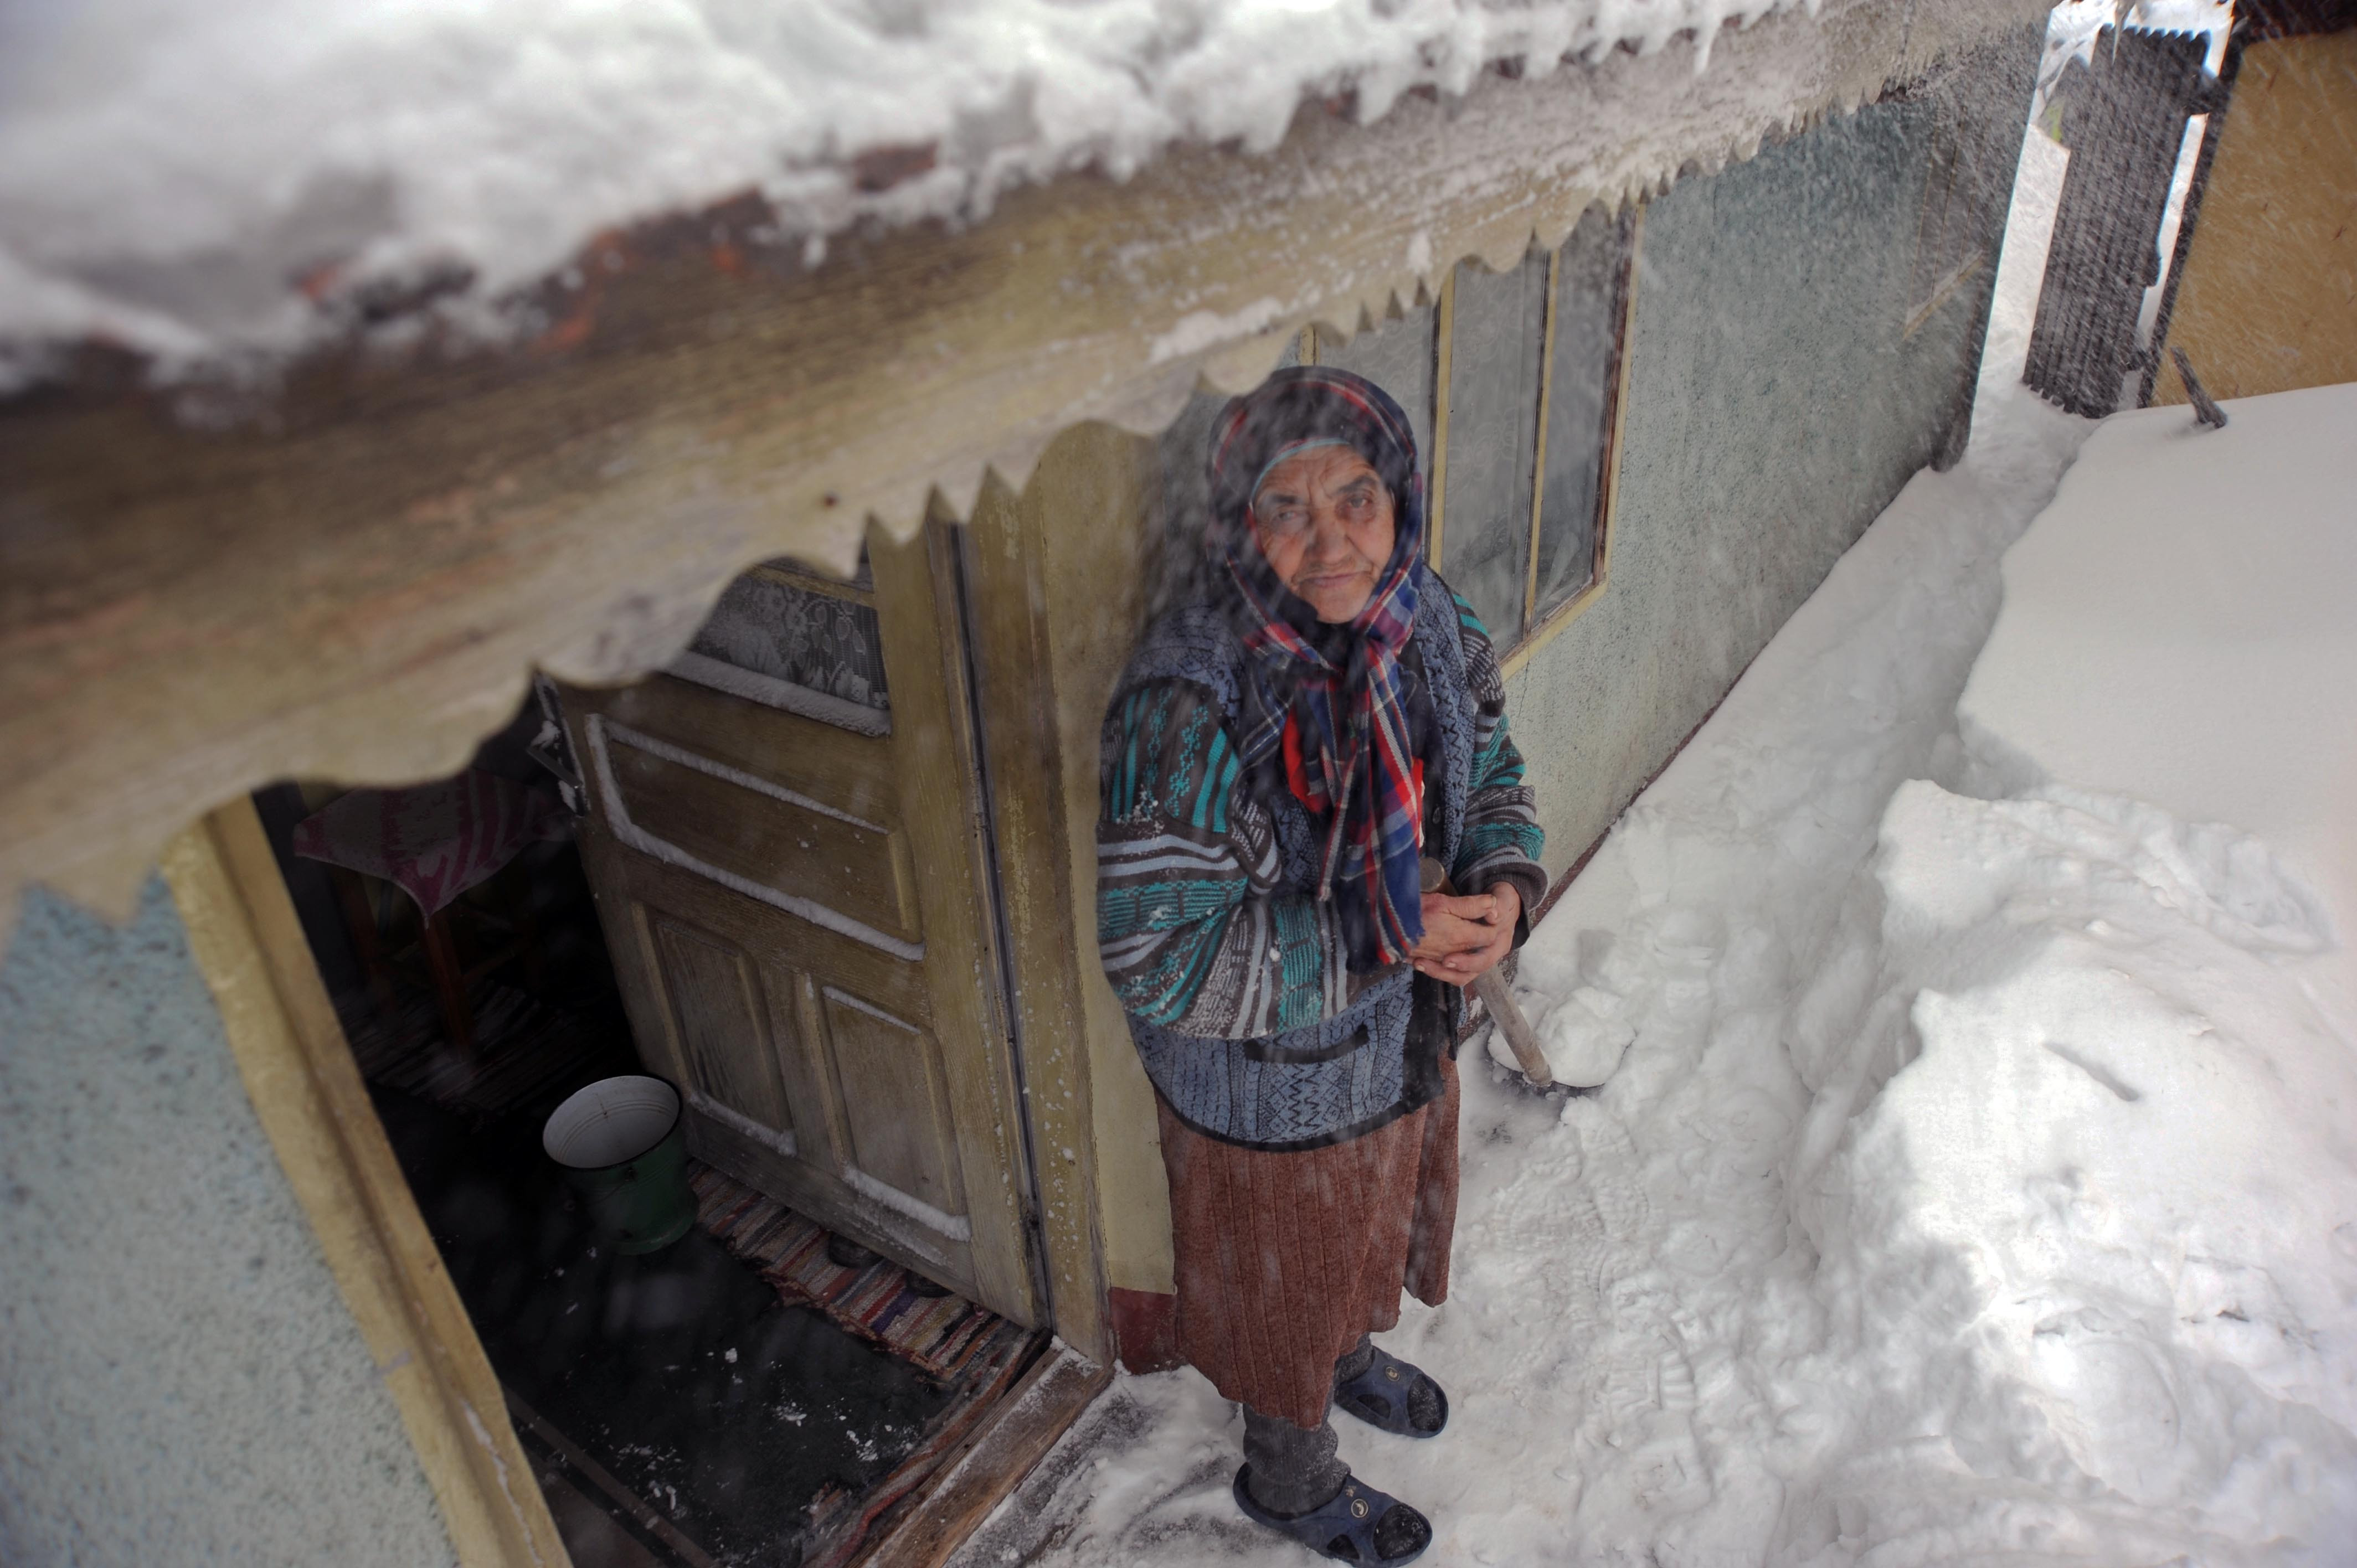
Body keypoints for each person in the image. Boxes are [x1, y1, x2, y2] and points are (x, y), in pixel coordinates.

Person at [1096, 366, 1545, 1564]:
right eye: (1286, 508)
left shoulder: (1430, 621)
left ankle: (1341, 1355)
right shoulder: (1188, 704)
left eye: (1356, 497)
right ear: (1239, 526)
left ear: (1399, 501)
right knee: (1281, 1283)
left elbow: (1492, 767)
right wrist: (1374, 936)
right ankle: (1287, 1480)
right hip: (1263, 1096)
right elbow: (1159, 959)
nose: (1331, 538)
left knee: (1356, 1234)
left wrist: (1502, 886)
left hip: (1395, 1047)